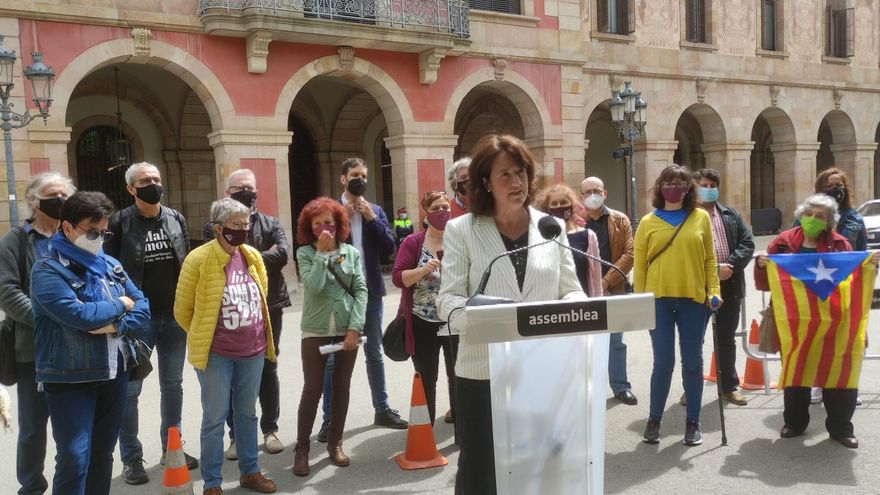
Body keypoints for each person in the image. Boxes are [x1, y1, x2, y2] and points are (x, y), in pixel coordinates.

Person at [436, 134, 585, 494]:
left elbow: (572, 288)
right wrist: (484, 318)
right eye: (506, 175)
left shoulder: (551, 228)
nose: (517, 182)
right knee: (480, 469)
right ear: (485, 182)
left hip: (542, 368)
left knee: (537, 465)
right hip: (481, 370)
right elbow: (448, 300)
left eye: (522, 173)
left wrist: (571, 309)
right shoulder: (462, 230)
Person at [31, 191, 151, 495]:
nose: (99, 237)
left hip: (115, 371)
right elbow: (79, 315)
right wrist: (122, 303)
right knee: (74, 459)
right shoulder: (47, 269)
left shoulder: (110, 264)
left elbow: (144, 308)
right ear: (68, 227)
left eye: (104, 231)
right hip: (70, 377)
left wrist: (113, 322)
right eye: (92, 231)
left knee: (102, 455)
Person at [755, 194, 876, 449]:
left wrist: (869, 265)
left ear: (829, 221)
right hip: (796, 320)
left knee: (838, 371)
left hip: (835, 319)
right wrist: (761, 264)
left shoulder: (840, 244)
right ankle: (795, 423)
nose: (812, 219)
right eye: (808, 214)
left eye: (820, 216)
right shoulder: (784, 242)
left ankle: (841, 428)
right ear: (800, 215)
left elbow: (853, 281)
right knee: (797, 370)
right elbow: (766, 284)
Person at [175, 198, 278, 494]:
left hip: (253, 351)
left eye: (247, 224)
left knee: (246, 414)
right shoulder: (197, 259)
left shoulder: (252, 257)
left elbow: (261, 296)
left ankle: (250, 471)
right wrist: (206, 336)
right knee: (214, 419)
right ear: (218, 228)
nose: (244, 230)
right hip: (216, 354)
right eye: (237, 225)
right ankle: (212, 482)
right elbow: (183, 311)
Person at [104, 162, 195, 484]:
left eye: (156, 179)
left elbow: (186, 262)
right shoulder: (118, 223)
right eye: (145, 181)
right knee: (130, 390)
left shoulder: (175, 217)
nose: (153, 184)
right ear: (131, 188)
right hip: (137, 320)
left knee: (173, 385)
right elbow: (108, 270)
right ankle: (131, 458)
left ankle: (173, 449)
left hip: (174, 316)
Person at [202, 169, 291, 459]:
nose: (245, 192)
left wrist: (243, 257)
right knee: (231, 373)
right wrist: (260, 256)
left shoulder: (271, 222)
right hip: (228, 309)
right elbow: (217, 258)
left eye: (249, 187)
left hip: (269, 304)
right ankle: (236, 437)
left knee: (268, 367)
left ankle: (270, 429)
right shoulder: (212, 227)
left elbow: (283, 255)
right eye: (239, 188)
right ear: (228, 193)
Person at [318, 158, 406, 442]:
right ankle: (329, 420)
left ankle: (382, 408)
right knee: (334, 358)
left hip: (370, 292)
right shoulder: (328, 209)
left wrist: (371, 219)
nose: (360, 179)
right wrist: (339, 217)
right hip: (337, 293)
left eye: (364, 175)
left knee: (374, 354)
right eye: (355, 175)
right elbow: (318, 245)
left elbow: (389, 249)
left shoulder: (376, 210)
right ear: (343, 179)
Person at [634, 165, 721, 447]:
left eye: (680, 182)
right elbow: (640, 265)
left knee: (693, 363)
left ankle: (693, 421)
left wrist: (714, 291)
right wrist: (639, 301)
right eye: (669, 182)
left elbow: (709, 259)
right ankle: (654, 420)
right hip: (658, 301)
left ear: (688, 188)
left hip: (694, 301)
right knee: (663, 363)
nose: (674, 187)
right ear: (660, 187)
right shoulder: (647, 221)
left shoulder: (700, 218)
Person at [0, 172, 74, 494]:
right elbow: (6, 291)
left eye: (63, 194)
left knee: (71, 427)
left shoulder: (75, 237)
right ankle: (31, 487)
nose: (59, 200)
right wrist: (49, 319)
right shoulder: (15, 241)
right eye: (51, 194)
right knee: (33, 428)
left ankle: (69, 485)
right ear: (33, 201)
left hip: (77, 349)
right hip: (34, 351)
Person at [292, 197, 367, 476]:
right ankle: (302, 449)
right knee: (312, 388)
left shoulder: (351, 252)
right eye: (317, 222)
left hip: (347, 328)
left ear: (338, 224)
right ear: (308, 227)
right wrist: (322, 255)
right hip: (315, 330)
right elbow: (313, 287)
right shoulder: (305, 253)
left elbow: (360, 290)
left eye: (329, 221)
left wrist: (354, 327)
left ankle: (335, 443)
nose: (324, 227)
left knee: (341, 387)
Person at [392, 191, 457, 426]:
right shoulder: (413, 242)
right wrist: (422, 270)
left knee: (458, 376)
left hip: (454, 321)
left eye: (445, 207)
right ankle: (425, 429)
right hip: (422, 322)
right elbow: (399, 278)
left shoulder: (458, 239)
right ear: (427, 214)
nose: (442, 212)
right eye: (436, 208)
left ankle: (462, 430)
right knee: (427, 378)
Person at [693, 168, 755, 406]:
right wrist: (712, 270)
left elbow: (747, 243)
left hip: (729, 286)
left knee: (726, 339)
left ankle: (729, 387)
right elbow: (684, 253)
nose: (709, 189)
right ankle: (692, 388)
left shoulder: (730, 214)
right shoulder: (688, 216)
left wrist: (729, 264)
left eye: (712, 185)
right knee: (693, 341)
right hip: (698, 287)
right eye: (704, 185)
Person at [579, 176, 637, 405]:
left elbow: (630, 254)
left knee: (616, 341)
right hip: (583, 291)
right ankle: (585, 390)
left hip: (614, 288)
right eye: (587, 192)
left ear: (605, 193)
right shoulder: (574, 221)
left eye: (596, 190)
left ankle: (620, 387)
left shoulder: (620, 220)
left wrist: (605, 281)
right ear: (581, 195)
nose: (592, 195)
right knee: (584, 343)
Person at [536, 183, 603, 296]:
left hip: (583, 307)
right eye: (554, 203)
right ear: (548, 208)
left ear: (572, 206)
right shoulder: (540, 238)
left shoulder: (588, 236)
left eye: (563, 202)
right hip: (550, 308)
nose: (559, 206)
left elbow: (596, 279)